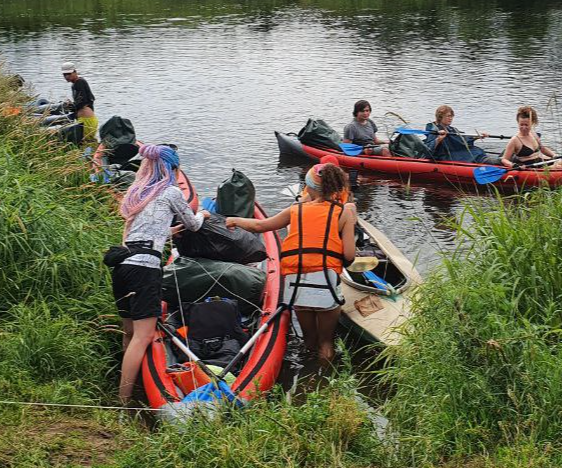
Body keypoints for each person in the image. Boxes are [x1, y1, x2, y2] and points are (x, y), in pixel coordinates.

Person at [227, 159, 356, 362]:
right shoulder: (344, 212)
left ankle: (304, 378)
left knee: (309, 341)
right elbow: (349, 255)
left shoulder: (295, 210)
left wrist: (234, 220)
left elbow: (260, 226)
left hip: (296, 284)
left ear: (309, 189)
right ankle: (323, 382)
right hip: (326, 283)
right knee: (326, 343)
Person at [110, 144, 209, 405]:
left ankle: (129, 381)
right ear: (171, 169)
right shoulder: (171, 191)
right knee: (143, 336)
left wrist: (169, 232)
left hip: (123, 265)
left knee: (129, 333)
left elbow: (142, 231)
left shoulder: (136, 191)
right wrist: (203, 213)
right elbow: (193, 224)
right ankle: (124, 401)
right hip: (145, 269)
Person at [500, 106, 562, 171]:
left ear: (532, 123)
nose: (523, 127)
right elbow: (504, 159)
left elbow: (542, 149)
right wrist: (513, 165)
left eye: (526, 125)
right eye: (521, 124)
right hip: (531, 168)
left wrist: (554, 155)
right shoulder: (514, 140)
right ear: (518, 123)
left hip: (541, 162)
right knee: (559, 168)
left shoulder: (533, 134)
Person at [424, 105, 501, 164]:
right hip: (446, 155)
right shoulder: (434, 130)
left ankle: (497, 160)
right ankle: (495, 161)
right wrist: (439, 139)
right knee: (474, 154)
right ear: (440, 117)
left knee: (476, 151)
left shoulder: (452, 129)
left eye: (452, 116)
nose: (450, 118)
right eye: (448, 116)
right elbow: (428, 150)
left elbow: (462, 140)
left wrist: (477, 136)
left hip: (456, 152)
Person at [60, 62, 98, 142]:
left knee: (84, 142)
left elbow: (82, 102)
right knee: (85, 142)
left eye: (69, 74)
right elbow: (85, 100)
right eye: (64, 75)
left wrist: (73, 106)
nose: (67, 76)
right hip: (85, 119)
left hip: (86, 120)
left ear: (75, 72)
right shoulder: (75, 84)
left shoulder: (79, 82)